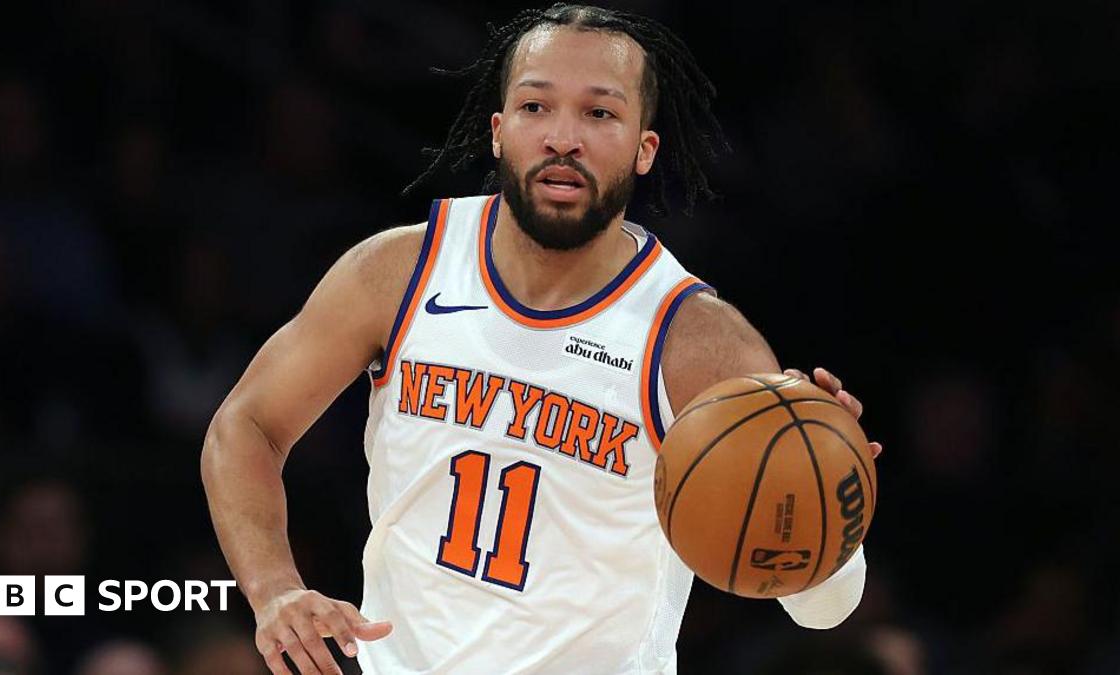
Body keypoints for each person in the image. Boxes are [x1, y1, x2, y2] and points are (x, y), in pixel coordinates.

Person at [201, 5, 883, 674]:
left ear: (646, 147)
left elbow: (822, 608)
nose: (563, 137)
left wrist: (826, 480)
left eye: (600, 112)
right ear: (499, 132)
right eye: (536, 107)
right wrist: (274, 588)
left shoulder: (695, 339)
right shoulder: (397, 272)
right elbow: (247, 424)